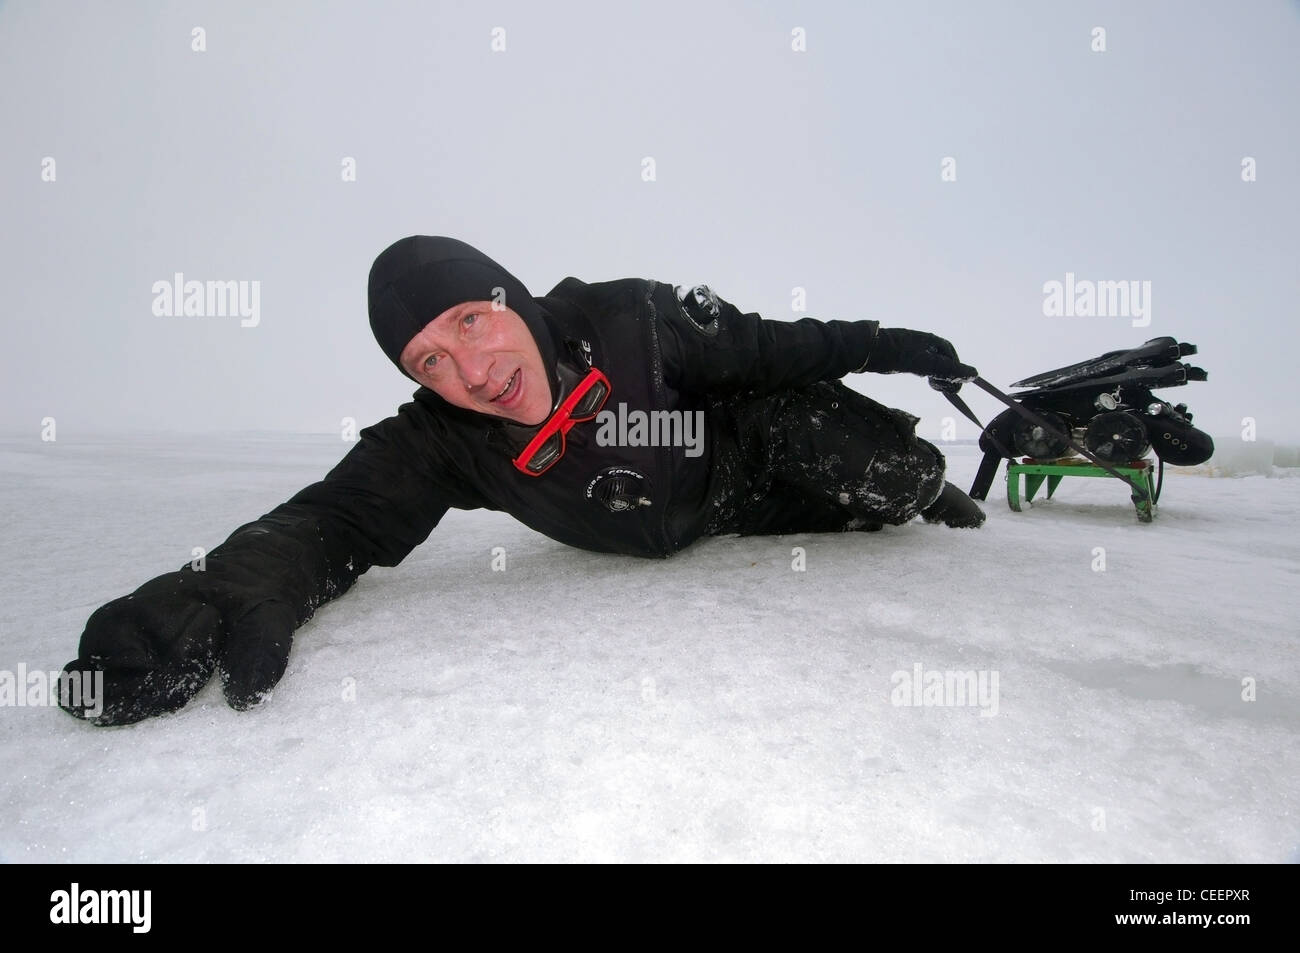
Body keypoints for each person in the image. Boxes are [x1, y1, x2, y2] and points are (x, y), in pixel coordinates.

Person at [58, 236, 985, 726]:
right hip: (721, 525)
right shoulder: (447, 439)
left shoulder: (639, 321)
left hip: (754, 454)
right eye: (430, 361)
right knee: (835, 510)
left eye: (470, 321)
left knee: (867, 468)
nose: (470, 370)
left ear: (507, 295)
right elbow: (337, 518)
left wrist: (888, 344)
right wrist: (232, 582)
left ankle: (923, 485)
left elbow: (781, 348)